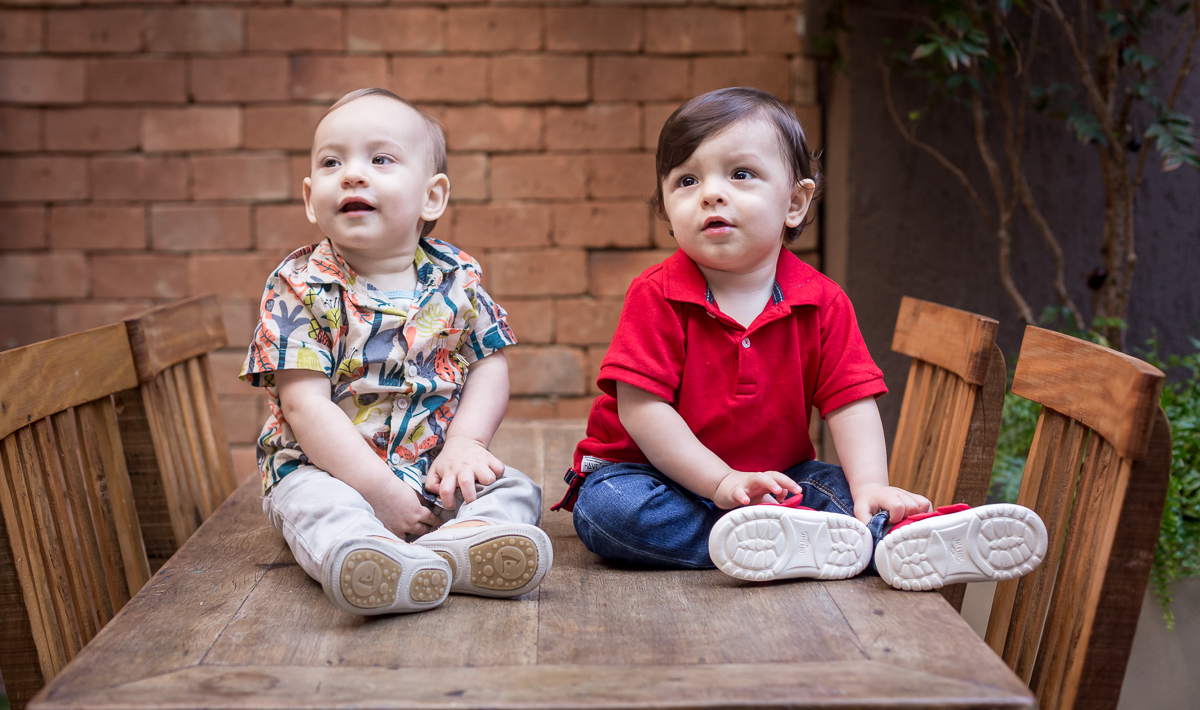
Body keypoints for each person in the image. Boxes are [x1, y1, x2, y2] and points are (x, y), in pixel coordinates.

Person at [556, 87, 1046, 591]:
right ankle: (803, 544)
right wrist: (721, 483)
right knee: (608, 512)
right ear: (667, 205)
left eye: (740, 174)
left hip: (777, 479)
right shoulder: (657, 295)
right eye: (686, 180)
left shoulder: (822, 301)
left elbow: (850, 404)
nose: (711, 193)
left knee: (834, 487)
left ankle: (899, 535)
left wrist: (871, 485)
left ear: (794, 202)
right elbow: (644, 412)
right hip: (650, 474)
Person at [241, 88, 552, 616]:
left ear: (432, 197)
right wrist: (378, 492)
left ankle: (457, 547)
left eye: (380, 159)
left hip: (433, 465)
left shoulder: (456, 278)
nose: (353, 174)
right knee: (320, 508)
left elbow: (488, 363)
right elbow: (304, 405)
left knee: (516, 487)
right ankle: (368, 557)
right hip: (328, 470)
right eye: (332, 161)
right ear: (310, 197)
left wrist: (467, 444)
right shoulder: (300, 286)